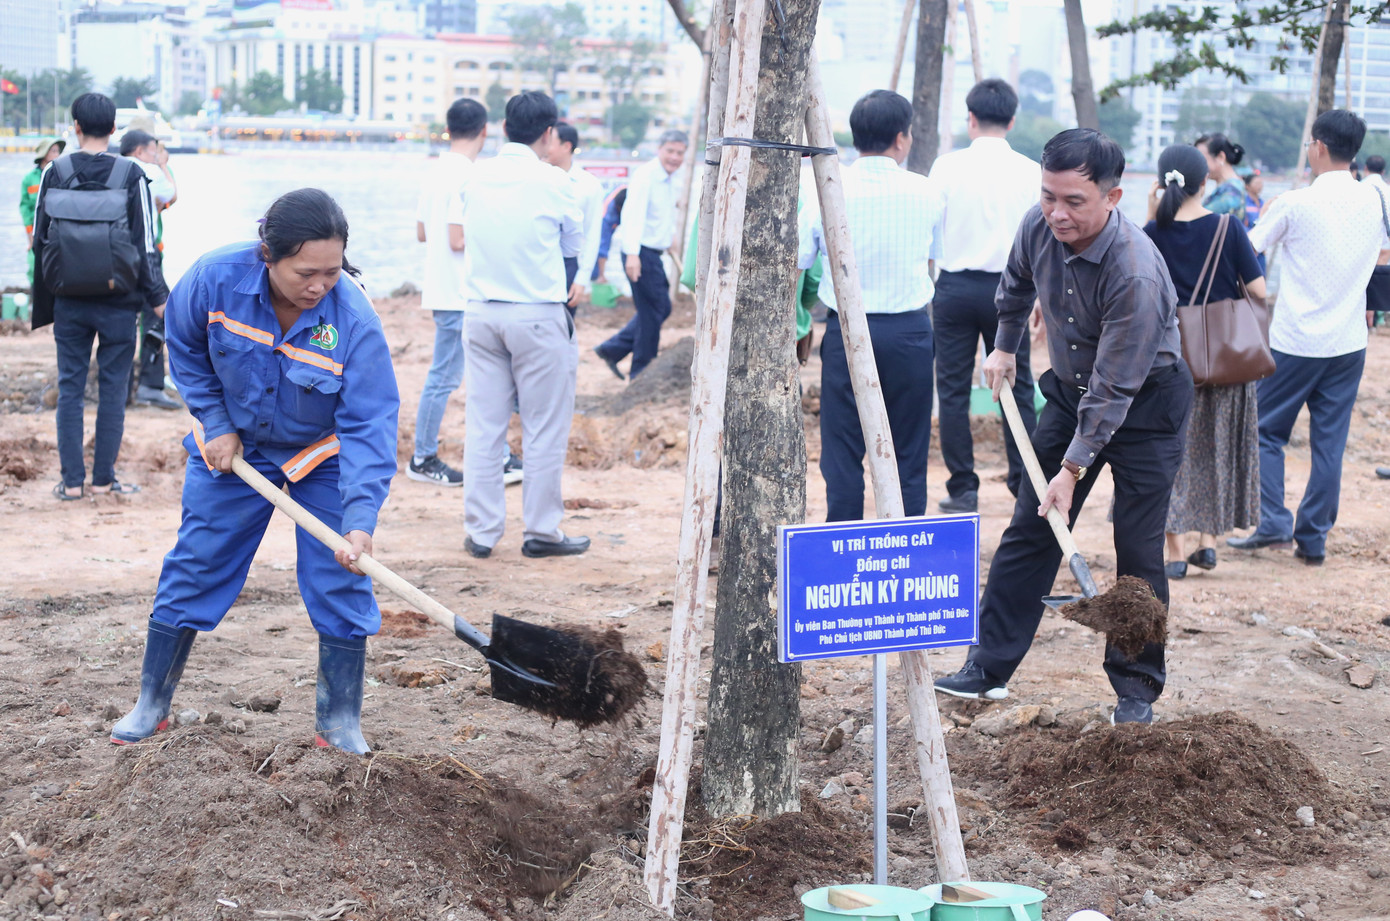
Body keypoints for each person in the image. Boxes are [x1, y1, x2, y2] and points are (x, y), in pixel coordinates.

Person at [110, 189, 399, 754]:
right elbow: (184, 346)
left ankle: (339, 721)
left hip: (321, 455)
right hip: (236, 449)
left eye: (332, 272)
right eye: (306, 273)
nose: (319, 286)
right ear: (268, 255)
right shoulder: (213, 278)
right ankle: (152, 702)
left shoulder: (354, 321)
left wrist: (361, 519)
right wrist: (214, 421)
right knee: (197, 561)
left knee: (341, 571)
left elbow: (370, 425)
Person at [934, 129, 1194, 726]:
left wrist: (1071, 470)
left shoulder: (1135, 273)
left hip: (1146, 404)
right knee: (1033, 524)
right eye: (1049, 196)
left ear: (1113, 197)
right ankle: (987, 668)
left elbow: (1115, 386)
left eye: (1074, 201)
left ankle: (1136, 689)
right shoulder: (1039, 224)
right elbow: (1014, 284)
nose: (1057, 212)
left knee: (1138, 546)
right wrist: (1004, 346)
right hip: (1073, 394)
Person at [1228, 110, 1388, 567]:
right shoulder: (1377, 197)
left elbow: (1247, 249)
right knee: (1329, 444)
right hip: (1349, 341)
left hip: (1295, 341)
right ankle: (1313, 538)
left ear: (1318, 146)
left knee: (1264, 430)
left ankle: (1274, 522)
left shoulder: (1295, 203)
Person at [798, 89, 942, 521]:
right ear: (901, 138)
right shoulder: (927, 191)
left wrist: (798, 324)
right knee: (908, 449)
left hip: (846, 332)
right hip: (909, 334)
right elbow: (933, 261)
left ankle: (843, 536)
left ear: (856, 136)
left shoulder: (826, 188)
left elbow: (799, 263)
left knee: (842, 448)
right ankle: (905, 540)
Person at [458, 91, 588, 559]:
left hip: (481, 312)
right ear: (549, 134)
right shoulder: (555, 181)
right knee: (543, 428)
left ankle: (481, 532)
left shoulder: (474, 176)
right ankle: (541, 531)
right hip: (536, 314)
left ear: (503, 128)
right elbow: (573, 245)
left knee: (484, 426)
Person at [31, 93, 166, 500]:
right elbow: (145, 244)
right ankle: (104, 480)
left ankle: (72, 484)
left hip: (69, 301)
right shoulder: (131, 173)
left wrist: (48, 300)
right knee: (112, 391)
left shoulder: (55, 170)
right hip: (119, 302)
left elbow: (40, 241)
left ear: (75, 127)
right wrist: (159, 299)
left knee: (70, 389)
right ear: (113, 129)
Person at [1143, 145, 1266, 580]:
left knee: (1168, 453)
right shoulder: (1228, 228)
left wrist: (1151, 212)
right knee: (1215, 450)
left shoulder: (1149, 234)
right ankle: (1208, 544)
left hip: (1168, 362)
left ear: (1162, 183)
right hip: (1225, 361)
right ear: (1204, 182)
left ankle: (1175, 553)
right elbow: (1259, 291)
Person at [925, 78, 1041, 513]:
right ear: (1011, 121)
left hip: (954, 288)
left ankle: (963, 488)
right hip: (1012, 290)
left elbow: (932, 231)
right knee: (1018, 386)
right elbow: (1040, 239)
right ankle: (1023, 482)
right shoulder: (1030, 171)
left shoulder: (945, 167)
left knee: (952, 389)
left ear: (970, 119)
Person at [407, 98, 487, 487]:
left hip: (443, 288)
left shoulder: (435, 172)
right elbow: (458, 240)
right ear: (484, 131)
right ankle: (422, 458)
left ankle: (429, 455)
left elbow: (423, 233)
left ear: (449, 129)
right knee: (444, 378)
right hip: (460, 291)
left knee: (449, 375)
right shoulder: (470, 176)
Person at [593, 130, 688, 380]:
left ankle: (613, 349)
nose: (675, 157)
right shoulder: (646, 176)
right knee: (654, 311)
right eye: (670, 151)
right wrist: (632, 255)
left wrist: (670, 237)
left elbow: (662, 215)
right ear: (659, 149)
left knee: (659, 308)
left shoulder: (670, 179)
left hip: (653, 253)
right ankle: (641, 371)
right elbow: (632, 216)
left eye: (680, 153)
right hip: (640, 253)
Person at [119, 129, 181, 411]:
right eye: (153, 151)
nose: (156, 156)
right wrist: (162, 165)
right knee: (160, 315)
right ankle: (150, 385)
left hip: (114, 258)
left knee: (122, 321)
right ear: (140, 151)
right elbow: (171, 193)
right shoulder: (147, 171)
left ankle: (122, 387)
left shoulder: (112, 169)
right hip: (144, 257)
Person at [547, 122, 606, 313]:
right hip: (537, 261)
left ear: (566, 146)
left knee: (564, 323)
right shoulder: (536, 178)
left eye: (550, 142)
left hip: (568, 264)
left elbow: (592, 234)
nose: (545, 146)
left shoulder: (588, 185)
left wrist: (582, 278)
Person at [19, 137, 65, 286]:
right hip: (35, 230)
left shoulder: (62, 175)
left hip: (56, 229)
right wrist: (30, 235)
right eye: (53, 151)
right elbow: (25, 207)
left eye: (58, 151)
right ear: (44, 154)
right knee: (34, 265)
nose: (57, 154)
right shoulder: (29, 179)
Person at [1195, 133, 1247, 218]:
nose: (1197, 165)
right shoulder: (1231, 186)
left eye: (1201, 159)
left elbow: (1200, 218)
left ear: (1220, 157)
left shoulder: (1231, 191)